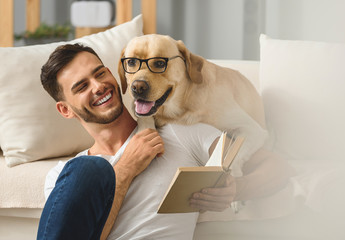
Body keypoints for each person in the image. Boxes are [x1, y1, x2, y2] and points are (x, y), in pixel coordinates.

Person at [37, 43, 293, 240]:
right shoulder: (63, 177)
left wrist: (238, 189)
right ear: (65, 110)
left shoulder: (180, 133)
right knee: (87, 169)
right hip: (83, 172)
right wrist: (125, 169)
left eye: (100, 73)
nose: (98, 86)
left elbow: (276, 167)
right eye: (81, 87)